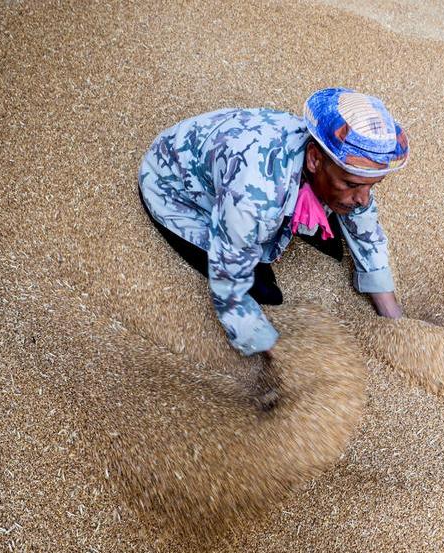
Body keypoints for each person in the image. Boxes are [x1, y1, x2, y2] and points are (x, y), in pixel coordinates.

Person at [138, 87, 409, 357]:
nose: (363, 198)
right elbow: (229, 277)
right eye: (351, 184)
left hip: (242, 168)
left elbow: (364, 224)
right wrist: (275, 354)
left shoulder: (331, 161)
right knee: (265, 292)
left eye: (371, 186)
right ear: (315, 159)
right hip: (175, 188)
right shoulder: (255, 196)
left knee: (339, 229)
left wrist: (392, 316)